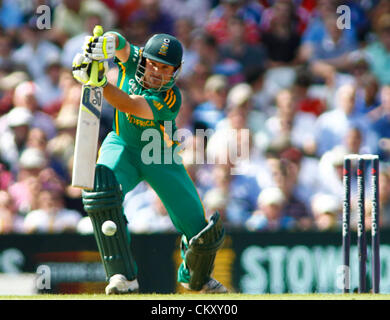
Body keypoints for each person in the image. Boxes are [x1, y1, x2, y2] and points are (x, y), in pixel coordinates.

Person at [71, 27, 227, 294]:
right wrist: (103, 45)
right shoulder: (134, 58)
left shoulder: (171, 97)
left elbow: (131, 105)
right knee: (102, 194)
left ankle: (196, 279)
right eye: (153, 64)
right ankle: (122, 276)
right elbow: (119, 42)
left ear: (176, 71)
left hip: (159, 155)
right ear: (143, 58)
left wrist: (99, 83)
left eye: (165, 69)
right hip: (122, 144)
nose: (156, 72)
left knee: (200, 230)